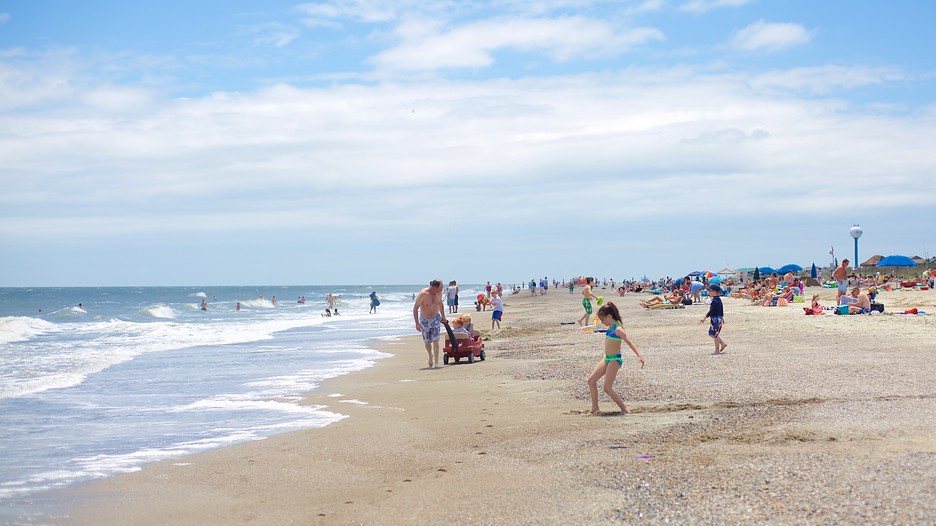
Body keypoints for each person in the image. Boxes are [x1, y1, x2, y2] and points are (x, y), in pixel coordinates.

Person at [587, 302, 644, 414]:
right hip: (607, 358)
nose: (602, 323)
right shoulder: (610, 327)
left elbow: (629, 342)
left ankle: (625, 409)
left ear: (609, 316)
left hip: (614, 360)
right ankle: (595, 408)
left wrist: (639, 355)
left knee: (607, 387)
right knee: (591, 380)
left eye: (602, 320)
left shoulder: (618, 329)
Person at [413, 279, 447, 368]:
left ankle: (436, 362)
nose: (441, 290)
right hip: (425, 320)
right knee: (427, 341)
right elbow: (415, 308)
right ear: (434, 287)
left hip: (436, 318)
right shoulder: (423, 294)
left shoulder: (439, 293)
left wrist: (443, 317)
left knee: (436, 339)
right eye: (440, 288)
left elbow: (440, 304)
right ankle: (430, 356)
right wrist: (417, 323)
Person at [700, 284, 727, 354]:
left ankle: (717, 350)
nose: (709, 292)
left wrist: (704, 318)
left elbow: (711, 311)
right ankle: (722, 343)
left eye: (710, 291)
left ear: (714, 292)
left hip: (716, 319)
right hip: (717, 318)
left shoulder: (715, 301)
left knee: (715, 335)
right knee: (712, 333)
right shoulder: (718, 300)